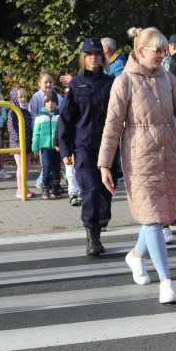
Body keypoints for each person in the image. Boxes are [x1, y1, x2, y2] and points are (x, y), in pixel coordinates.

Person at [97, 27, 176, 305]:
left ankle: (136, 256)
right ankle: (166, 281)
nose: (164, 55)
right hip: (139, 159)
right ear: (141, 51)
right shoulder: (124, 81)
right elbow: (112, 126)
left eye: (165, 50)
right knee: (152, 217)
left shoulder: (168, 79)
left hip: (167, 158)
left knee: (158, 215)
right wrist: (104, 164)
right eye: (159, 50)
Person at [59, 37, 114, 253]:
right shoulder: (75, 84)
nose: (93, 58)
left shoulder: (111, 83)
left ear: (102, 57)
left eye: (97, 54)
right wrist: (64, 149)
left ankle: (99, 228)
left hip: (107, 147)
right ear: (84, 58)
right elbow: (65, 118)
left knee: (104, 193)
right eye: (89, 54)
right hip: (83, 147)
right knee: (91, 190)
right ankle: (92, 239)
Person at [32, 93, 62, 200]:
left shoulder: (59, 116)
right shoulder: (40, 117)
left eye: (53, 101)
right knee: (47, 166)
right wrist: (35, 147)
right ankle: (45, 187)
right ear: (45, 103)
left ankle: (56, 187)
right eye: (48, 101)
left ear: (56, 103)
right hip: (44, 147)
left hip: (57, 147)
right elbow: (36, 133)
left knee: (57, 168)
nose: (50, 104)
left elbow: (62, 132)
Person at [7, 86, 35, 199]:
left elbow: (30, 127)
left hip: (27, 143)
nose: (23, 99)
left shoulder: (26, 113)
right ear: (14, 98)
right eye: (20, 97)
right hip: (17, 143)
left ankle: (24, 185)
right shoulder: (12, 112)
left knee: (27, 165)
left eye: (24, 96)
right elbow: (11, 128)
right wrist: (18, 139)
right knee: (21, 165)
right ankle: (20, 189)